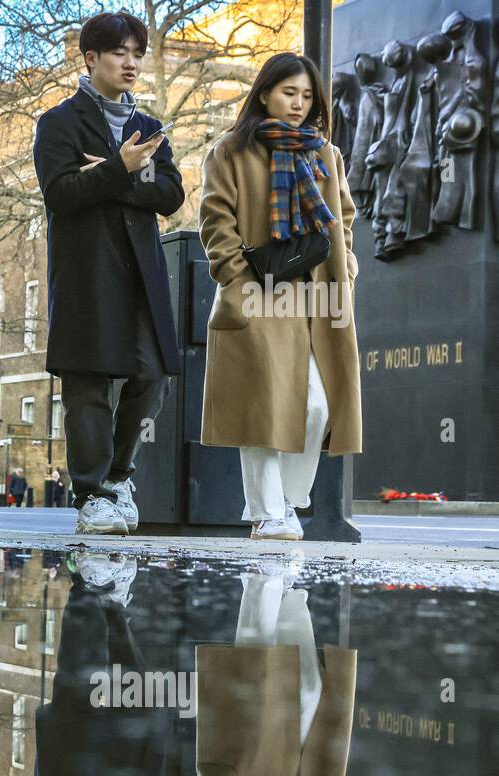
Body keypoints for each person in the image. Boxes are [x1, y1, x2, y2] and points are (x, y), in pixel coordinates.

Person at [199, 52, 360, 541]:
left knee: (316, 405)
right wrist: (237, 280)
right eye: (289, 92)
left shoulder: (324, 153)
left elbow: (344, 217)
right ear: (265, 92)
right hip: (258, 293)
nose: (298, 103)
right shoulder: (230, 151)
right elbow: (216, 220)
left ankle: (288, 502)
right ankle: (268, 512)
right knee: (262, 407)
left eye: (307, 96)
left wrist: (346, 265)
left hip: (316, 298)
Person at [33, 11, 184, 535]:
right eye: (120, 52)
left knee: (152, 376)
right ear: (91, 57)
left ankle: (119, 478)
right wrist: (122, 169)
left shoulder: (149, 126)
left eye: (138, 54)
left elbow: (171, 194)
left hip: (142, 271)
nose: (132, 63)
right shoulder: (58, 124)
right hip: (87, 273)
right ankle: (92, 494)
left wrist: (110, 173)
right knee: (89, 384)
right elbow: (61, 194)